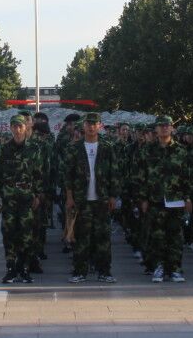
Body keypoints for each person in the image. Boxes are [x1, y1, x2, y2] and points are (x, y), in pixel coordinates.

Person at [64, 112, 120, 283]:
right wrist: (69, 197)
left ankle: (105, 271)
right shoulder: (74, 148)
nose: (91, 127)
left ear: (99, 126)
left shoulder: (107, 147)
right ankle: (79, 271)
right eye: (88, 124)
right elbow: (68, 175)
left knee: (103, 237)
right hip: (82, 200)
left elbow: (114, 173)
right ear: (84, 126)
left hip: (102, 199)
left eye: (94, 124)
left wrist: (113, 196)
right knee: (82, 237)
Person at [138, 116, 192, 283]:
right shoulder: (147, 150)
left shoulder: (181, 151)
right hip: (155, 199)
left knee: (175, 236)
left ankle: (175, 268)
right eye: (160, 126)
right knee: (157, 236)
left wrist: (188, 198)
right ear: (156, 129)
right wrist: (143, 198)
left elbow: (187, 176)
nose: (164, 128)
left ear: (172, 128)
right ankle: (159, 267)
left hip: (176, 199)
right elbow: (141, 176)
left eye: (167, 125)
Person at [0, 114, 44, 283]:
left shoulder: (34, 148)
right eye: (14, 126)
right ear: (10, 128)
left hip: (27, 198)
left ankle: (24, 268)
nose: (17, 129)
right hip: (9, 198)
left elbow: (38, 174)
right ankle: (10, 268)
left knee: (26, 234)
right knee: (9, 233)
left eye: (20, 126)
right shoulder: (3, 149)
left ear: (25, 127)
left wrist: (38, 194)